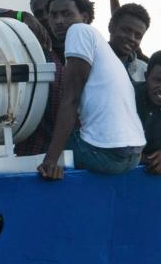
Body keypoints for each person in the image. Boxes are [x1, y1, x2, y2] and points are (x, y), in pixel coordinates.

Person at [36, 16, 146, 178]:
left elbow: (71, 100)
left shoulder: (78, 30)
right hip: (134, 156)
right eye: (53, 13)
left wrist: (51, 161)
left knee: (42, 146)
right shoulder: (110, 57)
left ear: (84, 17)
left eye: (66, 13)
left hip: (107, 157)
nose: (59, 20)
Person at [108, 2, 151, 82]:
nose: (131, 38)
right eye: (126, 30)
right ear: (111, 27)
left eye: (138, 36)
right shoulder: (91, 58)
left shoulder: (144, 70)